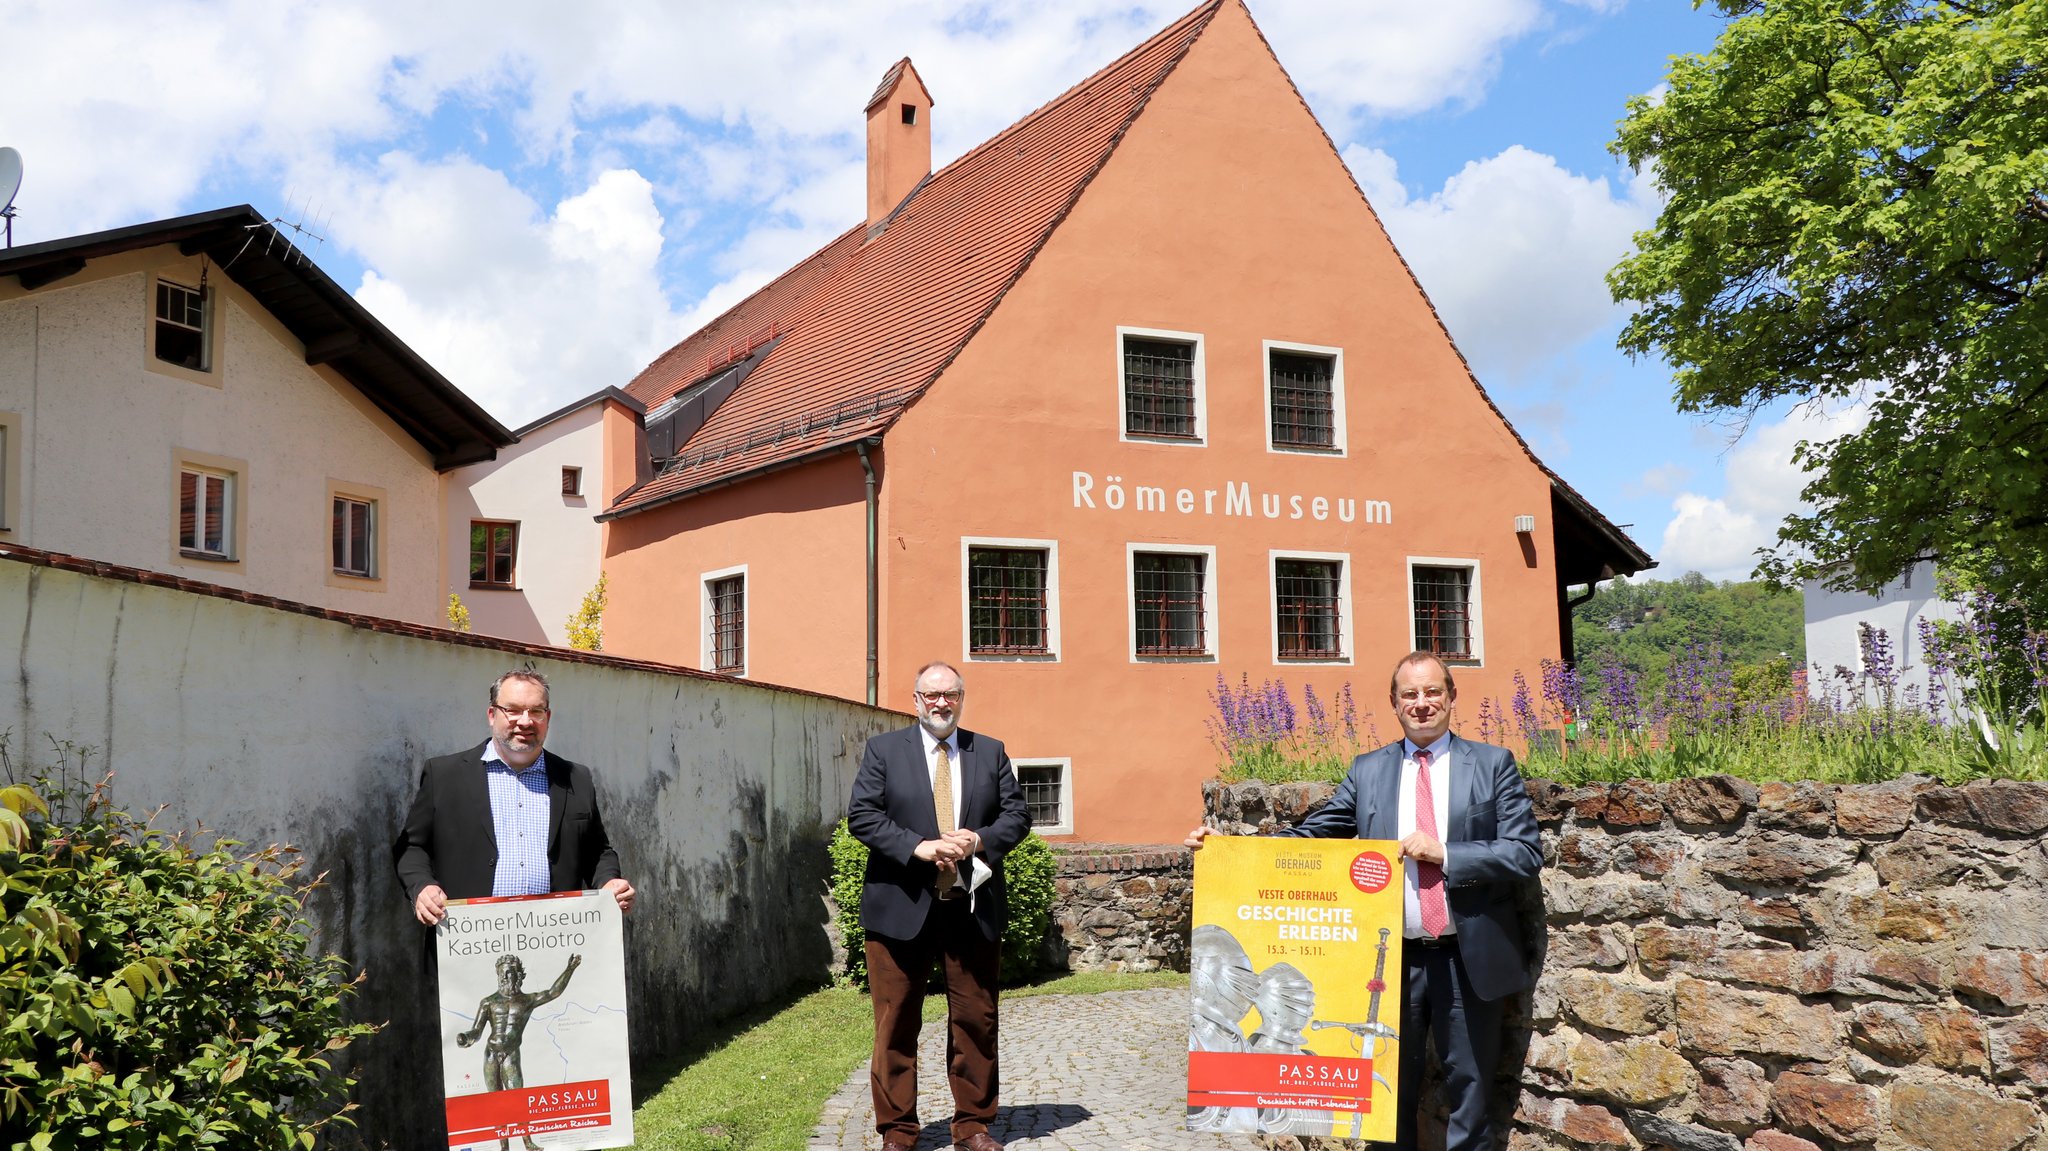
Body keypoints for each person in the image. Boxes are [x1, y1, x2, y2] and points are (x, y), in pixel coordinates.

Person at [1188, 651, 1540, 1151]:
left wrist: (1446, 852)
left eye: (1432, 692)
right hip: (1389, 962)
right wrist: (1226, 848)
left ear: (1452, 696)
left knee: (1473, 1093)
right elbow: (1316, 833)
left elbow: (1524, 852)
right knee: (1385, 1098)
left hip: (1467, 959)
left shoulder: (1491, 763)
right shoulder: (1368, 771)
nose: (1422, 704)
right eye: (1410, 695)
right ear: (1394, 704)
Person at [846, 661, 1031, 1151]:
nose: (941, 703)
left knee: (976, 1019)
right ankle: (898, 1130)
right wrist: (917, 847)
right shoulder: (884, 751)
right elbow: (862, 816)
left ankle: (973, 1124)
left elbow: (1017, 816)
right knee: (895, 1022)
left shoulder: (988, 751)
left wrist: (979, 840)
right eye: (931, 695)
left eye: (950, 694)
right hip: (900, 907)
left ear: (962, 697)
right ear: (916, 700)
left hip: (971, 909)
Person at [394, 669, 636, 925]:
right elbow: (411, 846)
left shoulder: (576, 778)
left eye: (536, 711)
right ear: (492, 714)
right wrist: (422, 887)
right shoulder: (445, 775)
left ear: (548, 717)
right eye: (513, 710)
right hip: (468, 941)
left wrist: (609, 881)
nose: (525, 721)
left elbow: (597, 851)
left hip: (555, 936)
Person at [456, 953, 582, 1151]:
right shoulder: (488, 1002)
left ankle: (527, 1142)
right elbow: (477, 1030)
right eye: (501, 974)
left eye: (509, 974)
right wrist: (467, 1038)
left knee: (518, 1101)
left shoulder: (527, 1000)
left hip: (511, 1054)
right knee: (496, 1102)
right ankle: (504, 1147)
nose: (505, 978)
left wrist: (570, 969)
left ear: (519, 976)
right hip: (491, 1054)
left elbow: (553, 992)